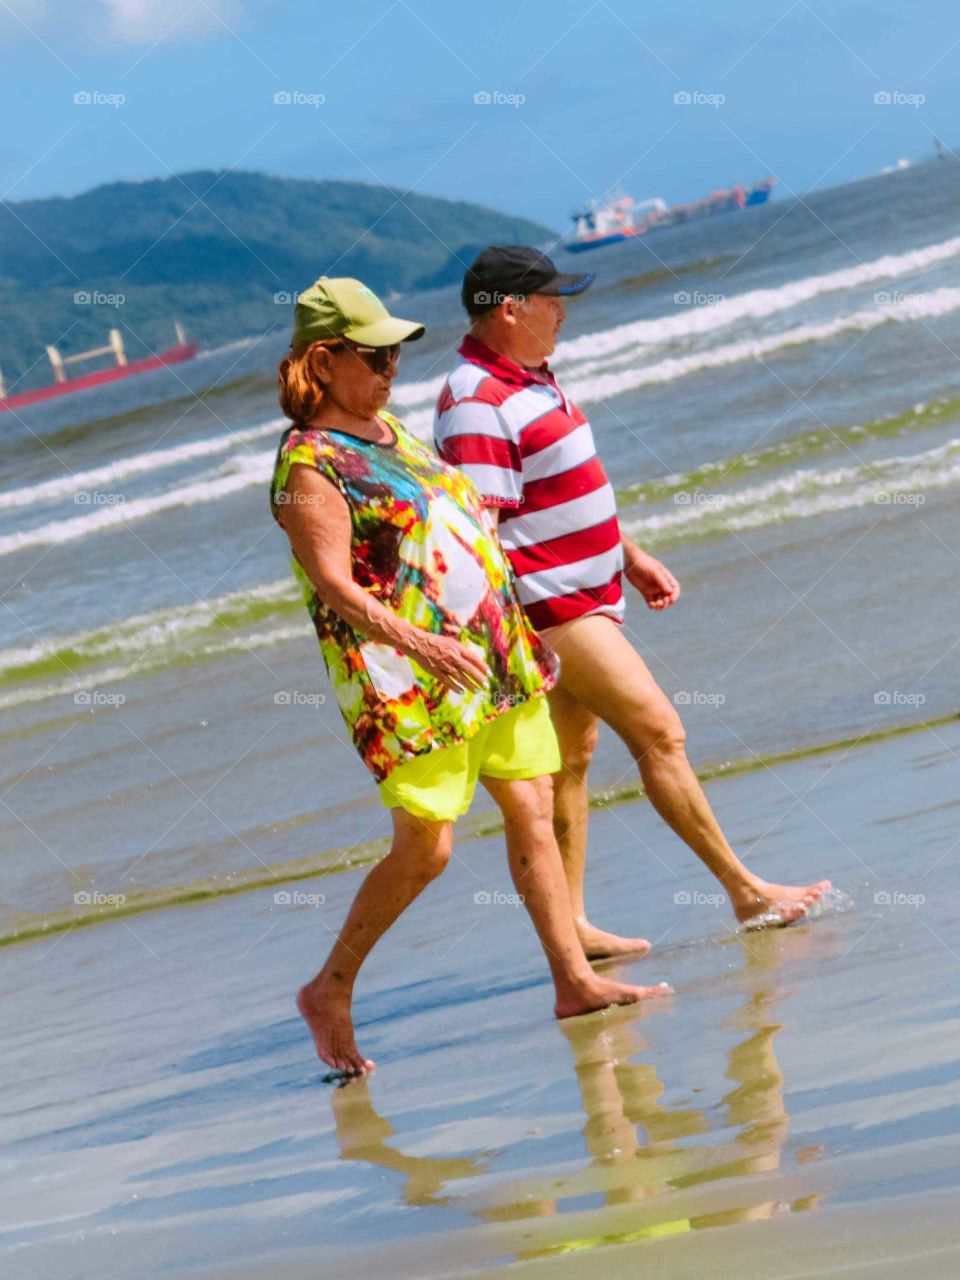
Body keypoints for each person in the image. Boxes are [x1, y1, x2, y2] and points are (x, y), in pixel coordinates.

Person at [269, 276, 670, 1077]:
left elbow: (458, 524)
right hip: (409, 681)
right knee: (428, 849)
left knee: (532, 808)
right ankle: (329, 987)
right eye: (373, 354)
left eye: (394, 353)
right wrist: (420, 645)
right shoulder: (310, 464)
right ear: (324, 359)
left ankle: (573, 980)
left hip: (491, 659)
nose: (390, 368)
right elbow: (335, 589)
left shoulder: (391, 432)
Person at [434, 247, 831, 959]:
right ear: (509, 309)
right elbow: (479, 532)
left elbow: (565, 488)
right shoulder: (476, 400)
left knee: (571, 762)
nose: (562, 314)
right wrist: (495, 639)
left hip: (591, 589)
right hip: (550, 606)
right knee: (659, 731)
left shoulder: (530, 378)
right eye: (552, 301)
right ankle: (745, 891)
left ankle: (574, 925)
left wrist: (629, 554)